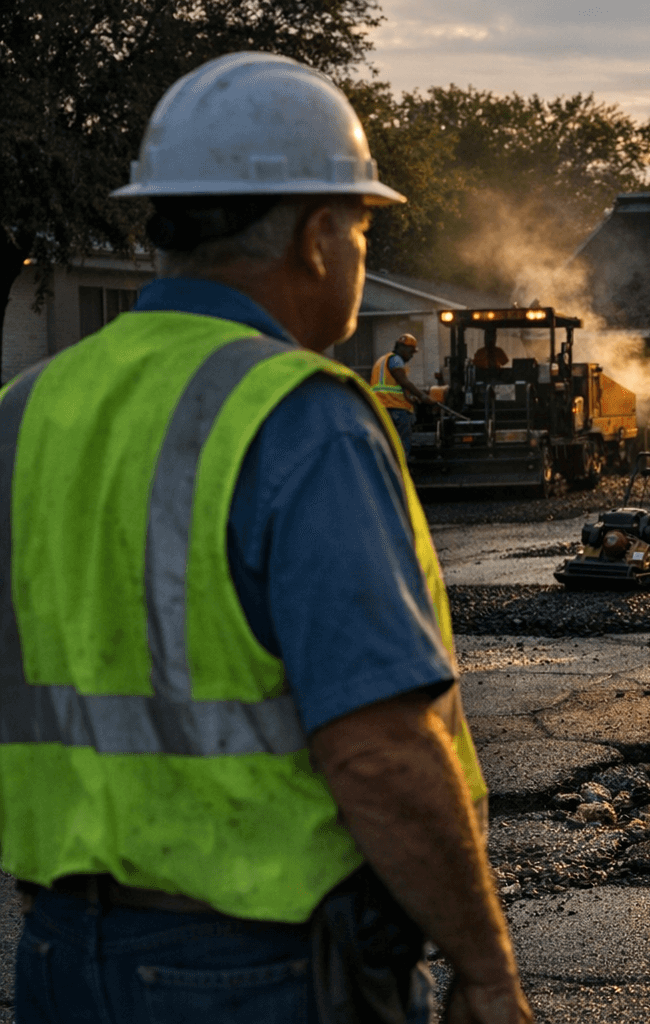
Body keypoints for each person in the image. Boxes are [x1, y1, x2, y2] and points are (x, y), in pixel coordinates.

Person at [1, 53, 531, 1024]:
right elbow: (377, 748)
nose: (362, 255)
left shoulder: (28, 410)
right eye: (363, 229)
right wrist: (486, 968)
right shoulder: (297, 415)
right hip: (265, 970)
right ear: (319, 237)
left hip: (57, 955)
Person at [372, 333, 430, 456]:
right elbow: (404, 381)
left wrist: (410, 397)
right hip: (395, 409)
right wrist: (422, 396)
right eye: (410, 352)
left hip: (381, 408)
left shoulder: (382, 360)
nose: (411, 356)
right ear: (402, 348)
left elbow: (396, 386)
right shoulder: (395, 360)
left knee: (388, 444)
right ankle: (403, 468)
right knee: (402, 445)